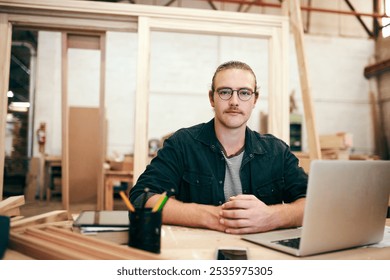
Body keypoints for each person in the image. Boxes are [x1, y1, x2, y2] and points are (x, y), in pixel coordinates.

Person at [130, 61, 308, 234]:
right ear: (211, 98)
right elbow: (142, 198)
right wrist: (213, 217)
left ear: (255, 99)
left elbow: (312, 203)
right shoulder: (182, 144)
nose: (234, 101)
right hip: (197, 254)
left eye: (244, 93)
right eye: (225, 92)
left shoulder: (276, 152)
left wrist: (271, 217)